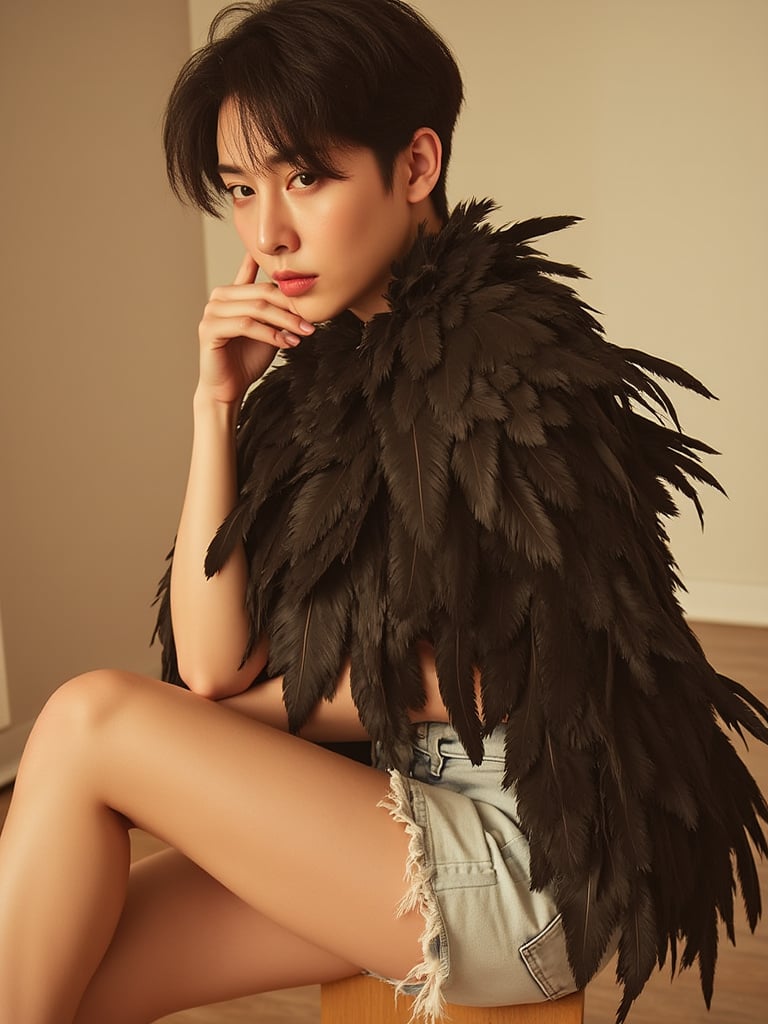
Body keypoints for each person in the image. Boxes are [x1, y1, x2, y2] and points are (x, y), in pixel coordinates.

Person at [0, 2, 766, 1022]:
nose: (267, 232)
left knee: (89, 717)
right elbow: (214, 661)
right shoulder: (319, 380)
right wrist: (215, 404)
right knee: (67, 971)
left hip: (525, 861)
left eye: (305, 177)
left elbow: (517, 672)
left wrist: (230, 716)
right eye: (240, 189)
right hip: (395, 813)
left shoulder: (513, 372)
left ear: (415, 166)